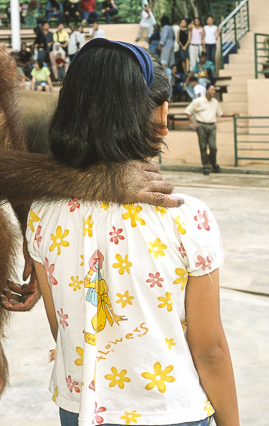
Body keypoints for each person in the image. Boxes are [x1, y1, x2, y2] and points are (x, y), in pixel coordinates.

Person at [29, 39, 239, 426]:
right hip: (170, 411)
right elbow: (208, 350)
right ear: (160, 114)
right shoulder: (186, 217)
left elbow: (63, 326)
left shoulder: (42, 215)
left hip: (80, 407)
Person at [186, 83, 224, 176]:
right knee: (203, 147)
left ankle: (213, 162)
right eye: (212, 90)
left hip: (212, 126)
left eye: (214, 90)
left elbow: (220, 114)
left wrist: (232, 115)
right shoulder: (198, 101)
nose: (213, 92)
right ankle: (206, 166)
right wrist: (193, 123)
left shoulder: (215, 102)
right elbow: (188, 111)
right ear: (207, 90)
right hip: (201, 126)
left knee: (213, 147)